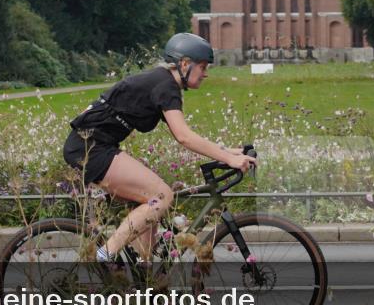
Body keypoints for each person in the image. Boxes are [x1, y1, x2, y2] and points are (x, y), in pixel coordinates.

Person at [63, 33, 257, 267]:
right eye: (203, 67)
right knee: (161, 196)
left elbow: (185, 133)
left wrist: (231, 152)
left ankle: (142, 278)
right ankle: (104, 256)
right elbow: (184, 137)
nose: (206, 73)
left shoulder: (162, 83)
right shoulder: (165, 86)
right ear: (184, 64)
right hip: (90, 148)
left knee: (149, 207)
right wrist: (229, 158)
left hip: (95, 146)